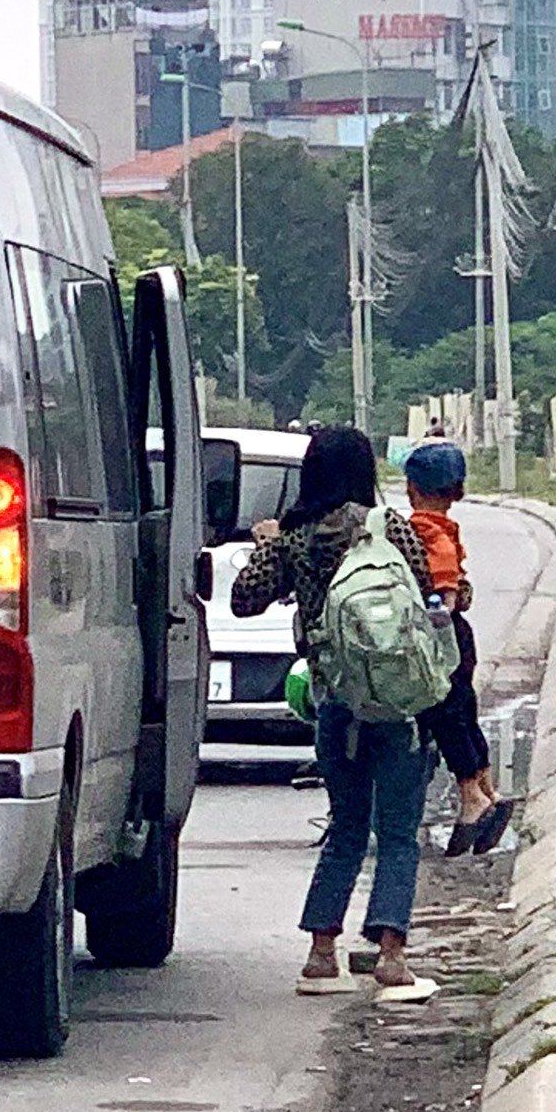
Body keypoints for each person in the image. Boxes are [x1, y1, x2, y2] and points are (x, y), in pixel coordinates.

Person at [231, 424, 441, 1003]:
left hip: (336, 703)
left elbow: (243, 600)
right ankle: (393, 958)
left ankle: (322, 955)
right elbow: (424, 594)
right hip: (400, 707)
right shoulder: (392, 528)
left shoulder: (297, 539)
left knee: (346, 827)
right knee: (399, 833)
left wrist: (268, 546)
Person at [402, 441, 513, 857]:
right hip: (459, 635)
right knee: (463, 710)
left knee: (445, 712)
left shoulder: (422, 531)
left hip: (440, 635)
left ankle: (473, 796)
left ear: (412, 487)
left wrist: (442, 610)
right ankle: (486, 789)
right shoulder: (447, 528)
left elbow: (445, 588)